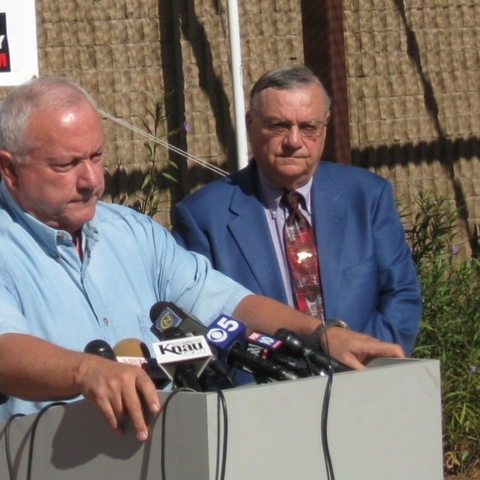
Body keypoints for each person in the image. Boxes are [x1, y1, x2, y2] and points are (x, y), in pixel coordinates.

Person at [0, 76, 403, 442]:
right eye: (66, 164)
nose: (91, 180)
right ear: (10, 170)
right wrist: (87, 372)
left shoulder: (134, 233)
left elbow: (227, 303)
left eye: (96, 156)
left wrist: (320, 335)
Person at [173, 65, 422, 355]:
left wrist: (363, 362)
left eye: (308, 127)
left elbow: (400, 294)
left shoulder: (367, 197)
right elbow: (199, 318)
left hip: (363, 382)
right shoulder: (203, 216)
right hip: (264, 390)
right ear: (251, 124)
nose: (294, 141)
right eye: (278, 126)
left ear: (324, 127)